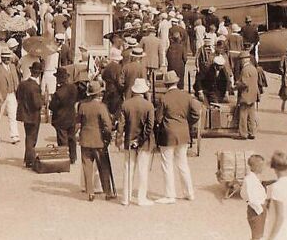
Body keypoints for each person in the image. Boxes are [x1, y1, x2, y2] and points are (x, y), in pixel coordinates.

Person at [155, 70, 201, 204]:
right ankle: (189, 193)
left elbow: (158, 118)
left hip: (168, 133)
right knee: (183, 164)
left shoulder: (164, 98)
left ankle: (170, 195)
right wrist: (187, 123)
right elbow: (195, 113)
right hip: (183, 132)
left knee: (167, 164)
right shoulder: (186, 96)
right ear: (176, 82)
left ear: (165, 84)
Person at [117, 77, 154, 206]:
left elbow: (121, 125)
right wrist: (141, 139)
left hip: (129, 139)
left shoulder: (125, 104)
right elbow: (150, 126)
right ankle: (141, 198)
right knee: (143, 170)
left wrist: (119, 139)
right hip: (144, 142)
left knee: (128, 168)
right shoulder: (149, 106)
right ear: (144, 91)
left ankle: (125, 198)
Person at [77, 80, 115, 201]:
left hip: (85, 139)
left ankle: (90, 192)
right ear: (99, 94)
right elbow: (108, 125)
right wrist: (108, 138)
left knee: (87, 166)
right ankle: (107, 191)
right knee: (103, 166)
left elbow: (78, 122)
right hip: (98, 140)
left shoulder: (82, 106)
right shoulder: (101, 107)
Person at [0, 50, 21, 153]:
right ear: (2, 58)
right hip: (1, 96)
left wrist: (17, 91)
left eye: (9, 57)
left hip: (11, 94)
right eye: (5, 57)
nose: (8, 59)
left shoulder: (12, 67)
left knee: (13, 115)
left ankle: (14, 135)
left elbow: (16, 80)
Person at [16, 61, 44, 168]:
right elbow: (37, 104)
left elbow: (18, 96)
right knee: (32, 138)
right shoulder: (35, 87)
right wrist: (43, 100)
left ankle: (27, 157)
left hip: (24, 114)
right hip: (34, 115)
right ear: (39, 73)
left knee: (28, 136)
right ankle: (30, 160)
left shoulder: (23, 84)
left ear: (31, 71)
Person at [49, 68, 79, 164]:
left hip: (60, 119)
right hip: (71, 116)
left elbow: (52, 107)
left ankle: (64, 158)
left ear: (59, 79)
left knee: (62, 140)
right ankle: (73, 157)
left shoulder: (58, 93)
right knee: (72, 138)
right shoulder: (73, 88)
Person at [242, 154, 267, 240]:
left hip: (259, 209)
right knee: (256, 236)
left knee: (259, 235)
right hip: (256, 211)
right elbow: (248, 196)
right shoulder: (249, 179)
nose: (263, 168)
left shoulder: (254, 177)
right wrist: (260, 210)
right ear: (256, 167)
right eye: (261, 166)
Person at [236, 55, 259, 140]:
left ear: (244, 60)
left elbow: (244, 83)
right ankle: (252, 132)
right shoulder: (253, 68)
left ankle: (243, 134)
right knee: (251, 115)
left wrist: (237, 84)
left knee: (243, 115)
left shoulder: (245, 70)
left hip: (246, 95)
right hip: (253, 94)